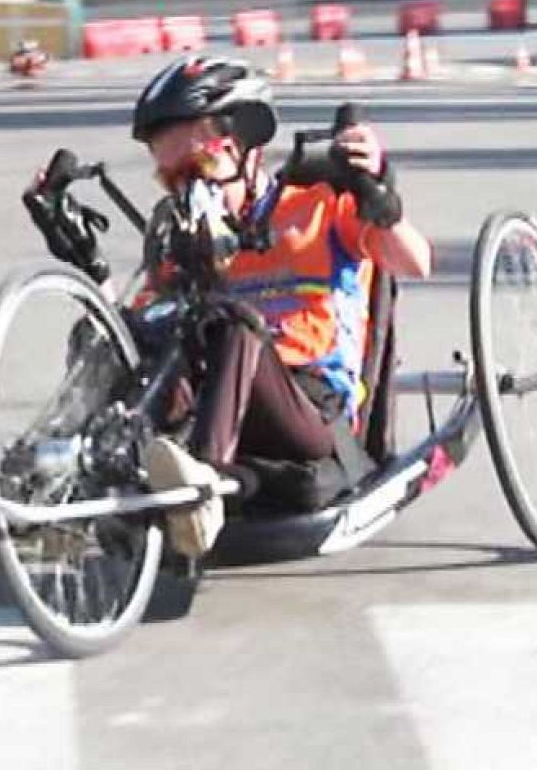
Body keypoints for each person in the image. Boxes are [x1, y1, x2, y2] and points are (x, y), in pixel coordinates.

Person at [129, 55, 433, 557]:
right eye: (173, 180)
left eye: (199, 169)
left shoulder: (315, 204)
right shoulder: (187, 239)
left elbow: (414, 261)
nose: (191, 192)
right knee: (138, 328)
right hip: (223, 413)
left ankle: (200, 493)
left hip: (312, 412)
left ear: (247, 150)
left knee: (235, 324)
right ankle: (66, 471)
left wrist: (380, 198)